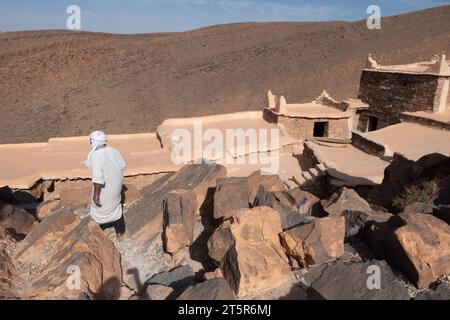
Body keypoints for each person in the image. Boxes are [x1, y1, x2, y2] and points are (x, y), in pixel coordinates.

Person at [85, 130, 127, 240]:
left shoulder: (96, 156)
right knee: (116, 210)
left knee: (99, 211)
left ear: (94, 142)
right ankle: (121, 233)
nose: (90, 144)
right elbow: (123, 166)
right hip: (116, 188)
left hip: (104, 190)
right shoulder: (114, 151)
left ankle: (99, 236)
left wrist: (96, 195)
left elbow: (98, 179)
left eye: (91, 141)